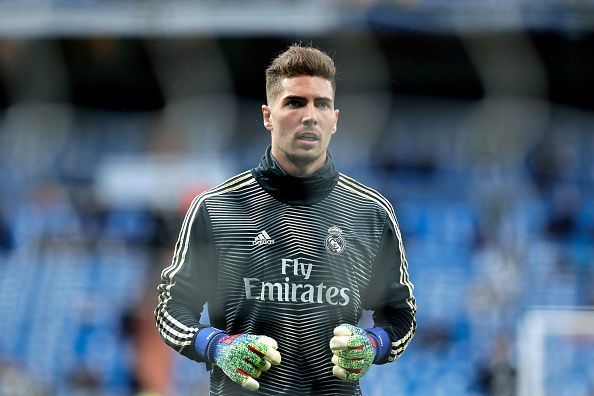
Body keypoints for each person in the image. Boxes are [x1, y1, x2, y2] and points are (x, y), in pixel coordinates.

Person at [154, 44, 416, 395]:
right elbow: (171, 309)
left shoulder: (370, 212)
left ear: (334, 120)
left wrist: (373, 344)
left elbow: (401, 316)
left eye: (321, 104)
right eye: (295, 102)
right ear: (267, 115)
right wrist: (217, 346)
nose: (310, 116)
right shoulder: (217, 208)